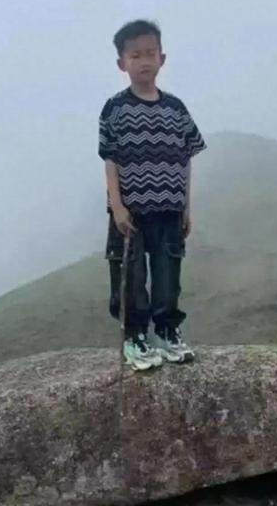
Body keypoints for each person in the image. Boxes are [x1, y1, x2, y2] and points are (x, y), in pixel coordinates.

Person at [98, 19, 207, 370]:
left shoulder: (176, 109)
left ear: (162, 58)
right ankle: (135, 337)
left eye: (150, 53)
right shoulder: (115, 109)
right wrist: (117, 207)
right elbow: (110, 159)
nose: (144, 61)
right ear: (122, 63)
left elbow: (186, 159)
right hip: (131, 211)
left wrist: (186, 207)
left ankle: (167, 332)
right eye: (135, 55)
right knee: (130, 276)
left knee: (167, 275)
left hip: (169, 208)